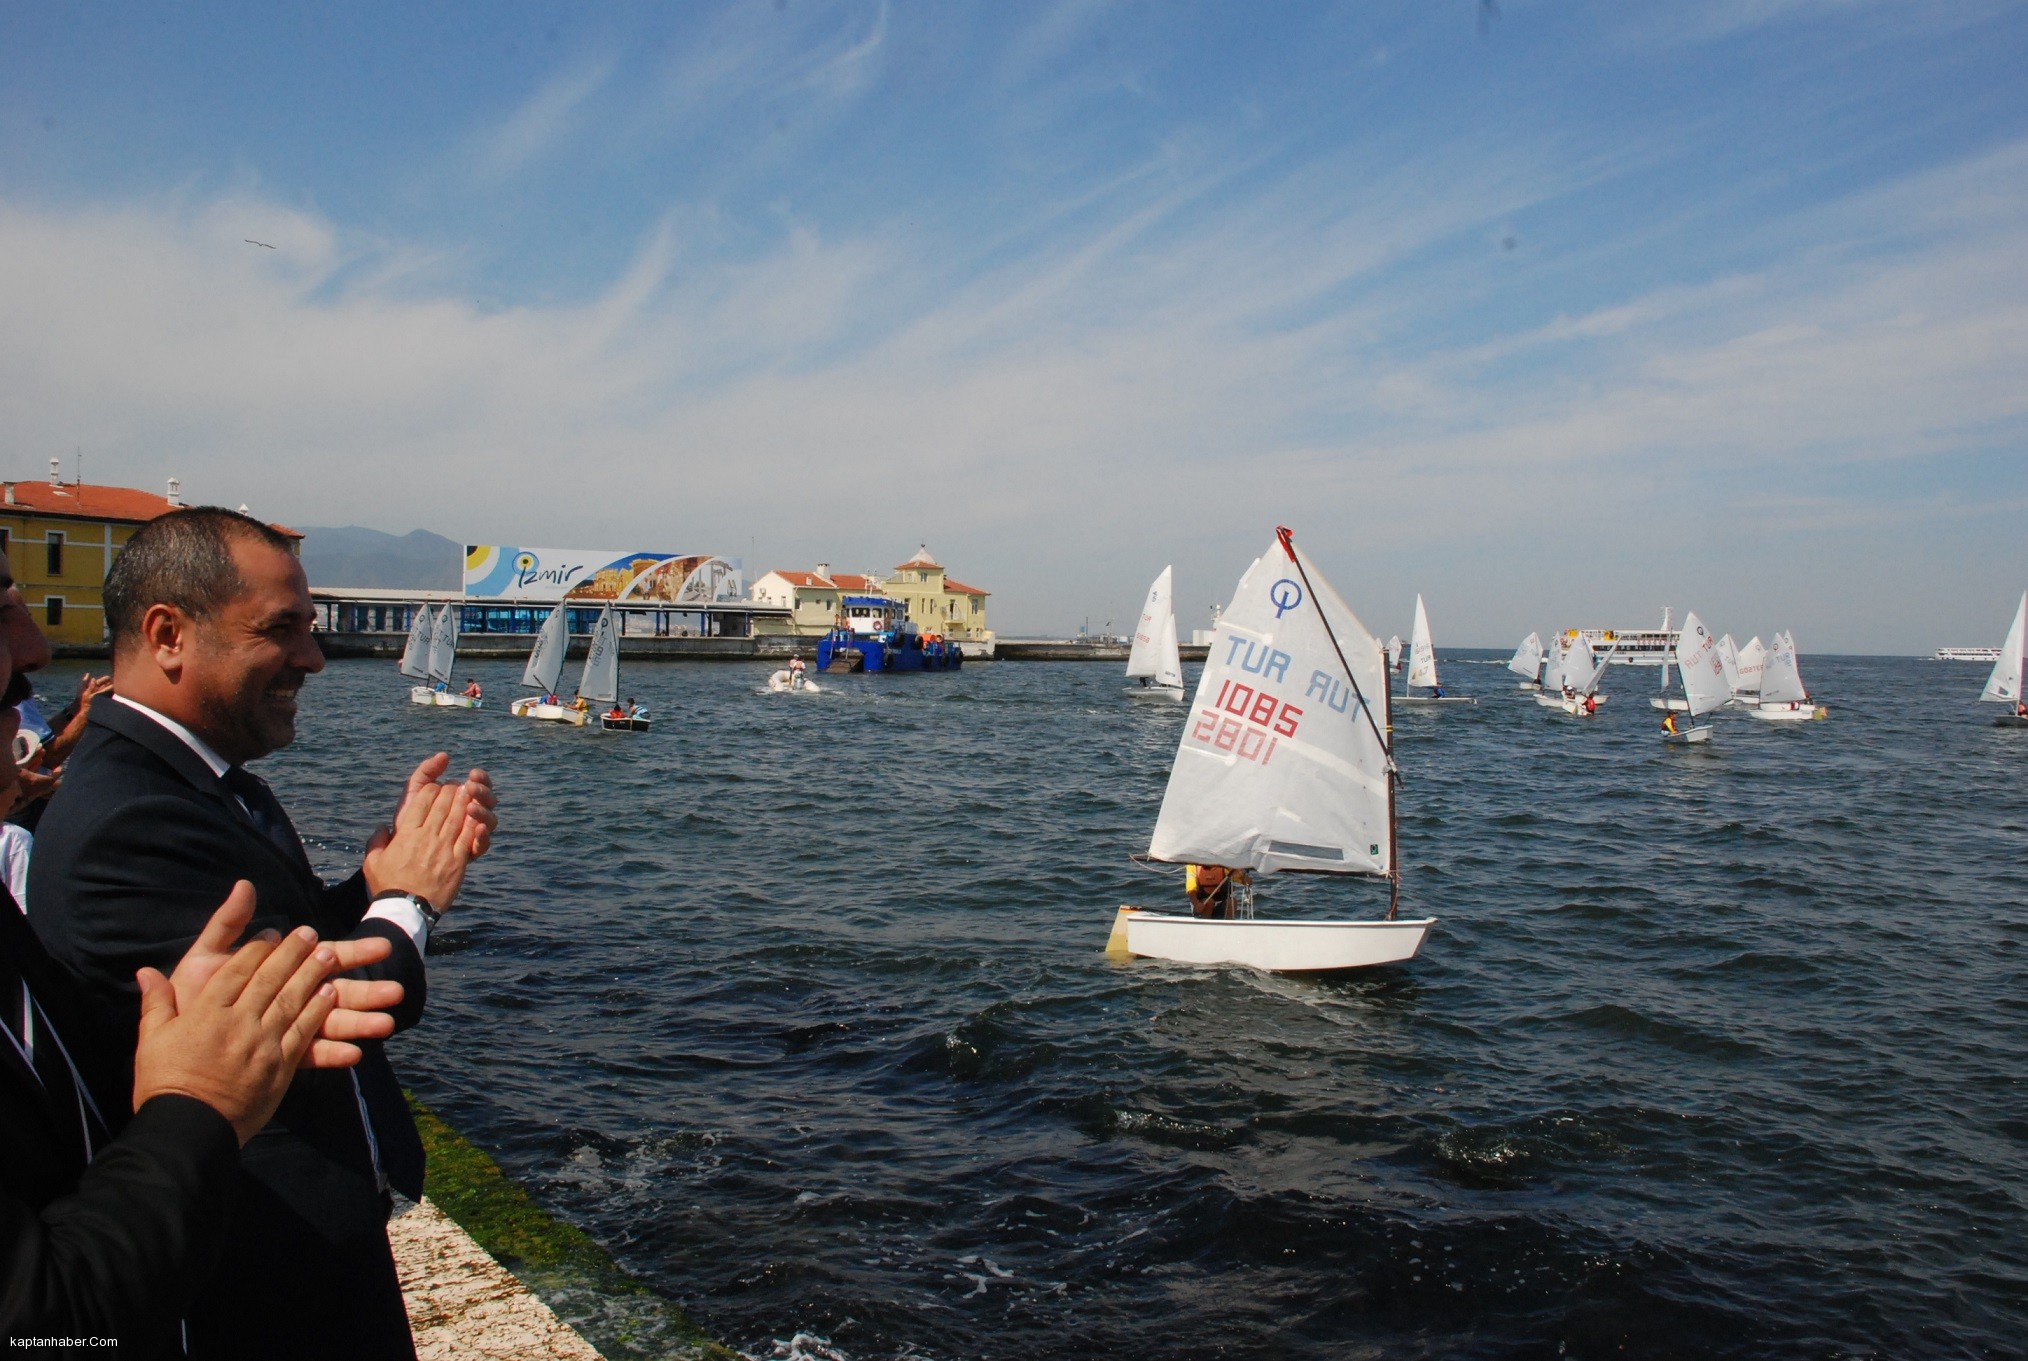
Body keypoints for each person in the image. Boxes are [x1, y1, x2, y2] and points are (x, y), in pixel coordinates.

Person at [28, 507, 496, 1360]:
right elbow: (317, 1003)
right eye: (281, 630)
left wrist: (374, 884)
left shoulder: (196, 778)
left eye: (309, 628)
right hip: (255, 1275)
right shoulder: (128, 821)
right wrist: (411, 900)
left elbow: (291, 941)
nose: (313, 658)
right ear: (168, 634)